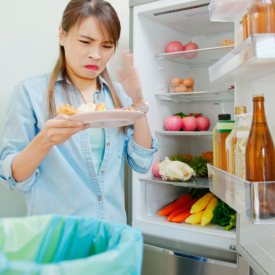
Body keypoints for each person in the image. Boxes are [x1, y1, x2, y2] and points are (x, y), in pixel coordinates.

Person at [0, 0, 158, 224]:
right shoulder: (30, 93)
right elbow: (13, 179)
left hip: (109, 233)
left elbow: (141, 163)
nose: (96, 55)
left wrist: (139, 103)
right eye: (86, 42)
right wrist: (45, 140)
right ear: (62, 36)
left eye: (106, 45)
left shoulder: (119, 96)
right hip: (57, 237)